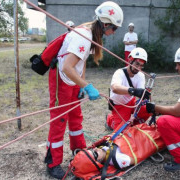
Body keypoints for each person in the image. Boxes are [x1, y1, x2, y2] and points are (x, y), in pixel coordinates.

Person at [45, 1, 124, 179]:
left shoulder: (92, 35)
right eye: (114, 28)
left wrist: (82, 85)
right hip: (62, 79)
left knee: (75, 116)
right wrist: (86, 86)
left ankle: (78, 149)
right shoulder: (83, 35)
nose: (114, 32)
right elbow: (67, 67)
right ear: (105, 24)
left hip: (73, 80)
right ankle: (52, 163)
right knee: (59, 121)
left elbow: (81, 62)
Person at [106, 47, 151, 130]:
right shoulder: (119, 73)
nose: (138, 68)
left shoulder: (141, 75)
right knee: (121, 132)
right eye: (137, 64)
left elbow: (140, 94)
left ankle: (134, 126)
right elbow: (115, 88)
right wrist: (132, 90)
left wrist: (145, 97)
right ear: (130, 61)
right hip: (120, 105)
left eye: (141, 65)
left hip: (132, 101)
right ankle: (110, 119)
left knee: (148, 109)